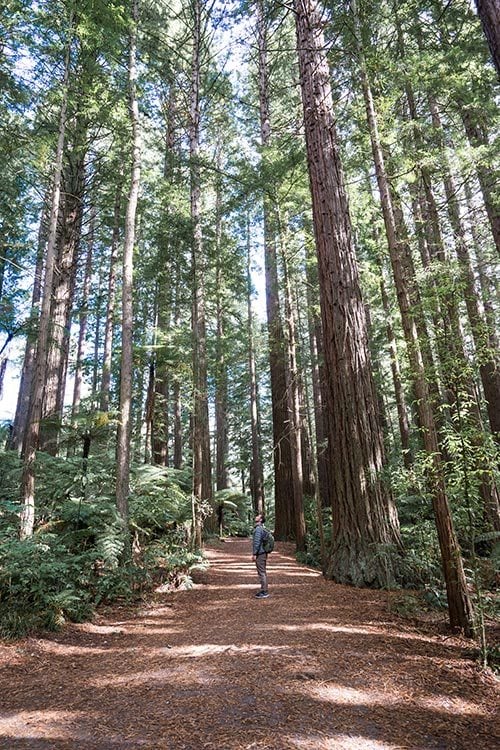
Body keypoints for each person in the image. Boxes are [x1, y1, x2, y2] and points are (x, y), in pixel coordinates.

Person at [252, 512, 269, 598]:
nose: (256, 517)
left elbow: (257, 542)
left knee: (261, 572)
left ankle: (264, 591)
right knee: (262, 572)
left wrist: (254, 553)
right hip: (263, 552)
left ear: (261, 519)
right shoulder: (261, 528)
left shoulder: (258, 529)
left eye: (258, 516)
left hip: (260, 553)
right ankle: (264, 590)